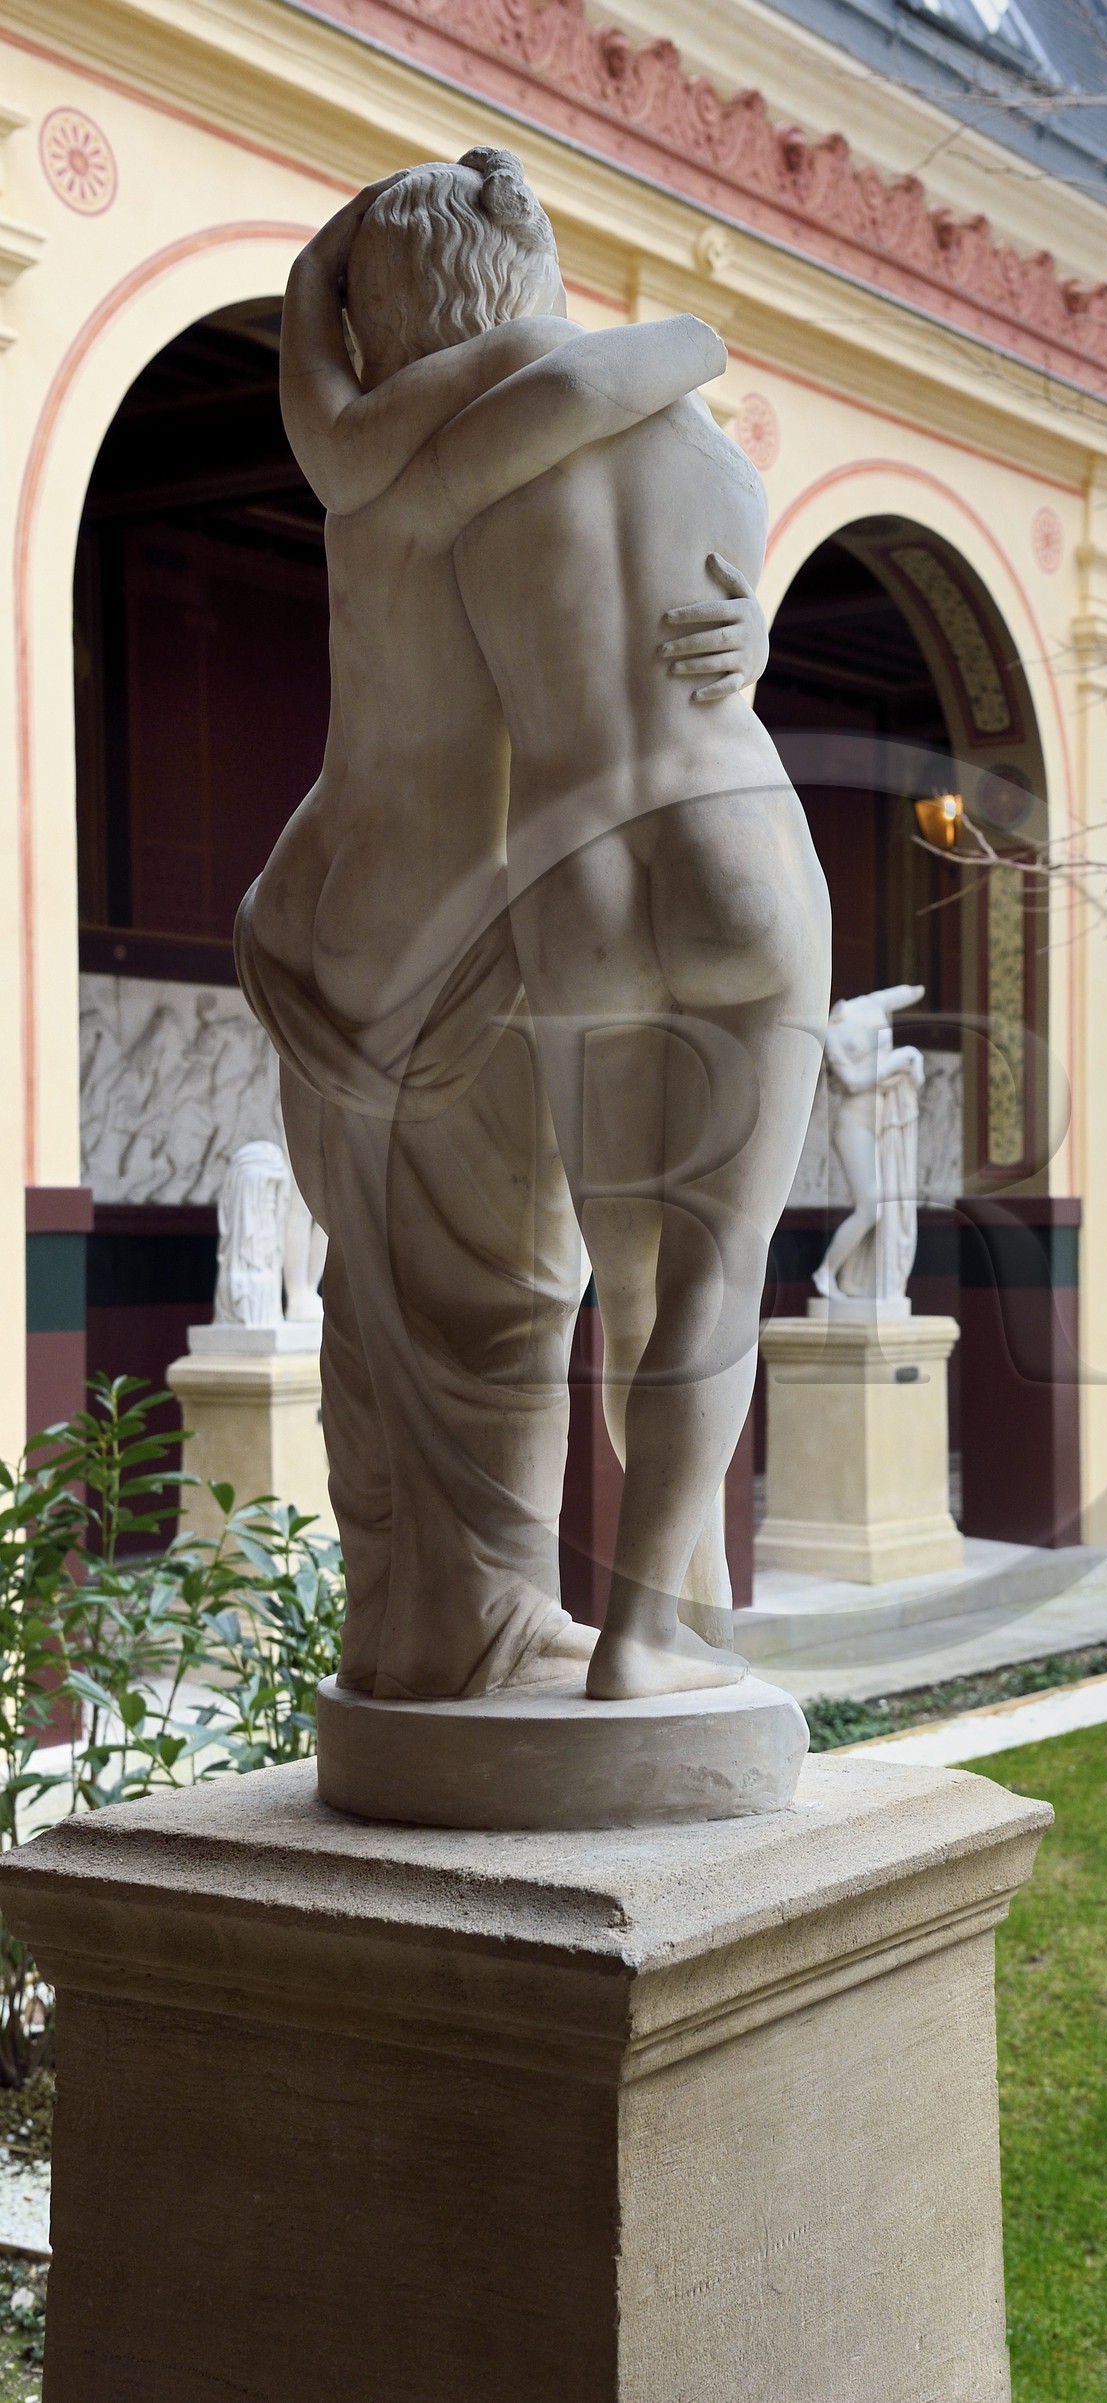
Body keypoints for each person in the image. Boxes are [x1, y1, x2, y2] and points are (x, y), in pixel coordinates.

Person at [240, 161, 762, 1699]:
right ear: (521, 281)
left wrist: (320, 277)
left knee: (378, 1305)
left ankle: (414, 1621)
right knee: (497, 1313)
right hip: (467, 946)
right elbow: (680, 356)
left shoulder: (360, 455)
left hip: (324, 925)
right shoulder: (532, 402)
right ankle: (466, 1631)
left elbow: (320, 385)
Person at [812, 984, 926, 1306]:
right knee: (871, 1207)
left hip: (879, 1124)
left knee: (880, 1205)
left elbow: (906, 992)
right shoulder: (831, 1034)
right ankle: (825, 1272)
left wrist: (920, 988)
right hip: (854, 1126)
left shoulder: (868, 1004)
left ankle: (850, 1277)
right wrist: (902, 1058)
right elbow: (852, 1083)